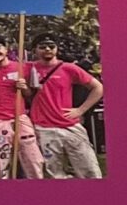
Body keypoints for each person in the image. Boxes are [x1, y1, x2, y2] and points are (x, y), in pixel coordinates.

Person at [24, 36, 105, 179]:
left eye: (51, 46)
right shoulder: (27, 68)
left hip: (70, 126)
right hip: (44, 129)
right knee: (54, 174)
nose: (47, 49)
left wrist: (80, 110)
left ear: (57, 48)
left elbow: (98, 88)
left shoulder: (69, 68)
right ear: (34, 50)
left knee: (90, 171)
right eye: (42, 46)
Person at [0, 35, 46, 179]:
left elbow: (30, 95)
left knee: (33, 159)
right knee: (1, 163)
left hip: (19, 117)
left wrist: (24, 87)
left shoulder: (22, 67)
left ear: (6, 49)